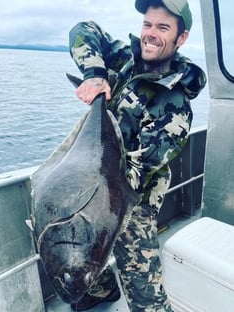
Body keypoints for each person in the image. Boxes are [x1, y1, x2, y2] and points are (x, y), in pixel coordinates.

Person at [68, 0, 206, 311]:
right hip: (100, 174)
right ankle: (102, 289)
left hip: (136, 197)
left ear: (180, 38)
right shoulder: (127, 59)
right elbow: (83, 30)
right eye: (148, 24)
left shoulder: (174, 107)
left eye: (163, 27)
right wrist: (94, 72)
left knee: (143, 285)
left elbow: (135, 176)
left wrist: (89, 188)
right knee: (92, 233)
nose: (151, 34)